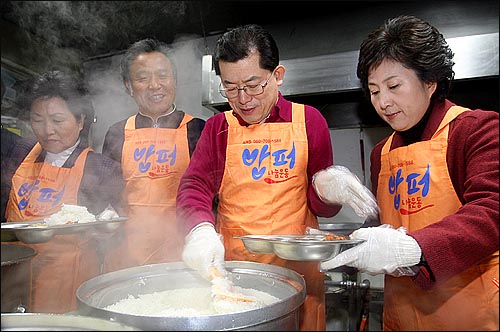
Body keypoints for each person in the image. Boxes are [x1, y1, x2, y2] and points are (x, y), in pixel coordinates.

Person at [177, 24, 377, 331]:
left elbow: (323, 210)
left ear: (278, 76)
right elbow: (195, 186)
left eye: (253, 84)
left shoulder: (310, 120)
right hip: (235, 272)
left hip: (298, 273)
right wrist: (200, 229)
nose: (243, 99)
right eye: (230, 88)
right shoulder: (218, 127)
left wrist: (326, 190)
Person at [321, 15, 499, 331]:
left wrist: (412, 249)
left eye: (394, 86)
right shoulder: (382, 152)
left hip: (467, 314)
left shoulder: (476, 131)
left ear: (430, 82)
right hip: (401, 316)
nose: (383, 102)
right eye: (374, 91)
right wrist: (336, 241)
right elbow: (386, 225)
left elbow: (491, 211)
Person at [3, 70, 125, 313]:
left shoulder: (101, 168)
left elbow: (115, 236)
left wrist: (109, 226)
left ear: (80, 121)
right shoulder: (19, 153)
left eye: (58, 120)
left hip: (67, 285)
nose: (47, 130)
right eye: (37, 120)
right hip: (14, 278)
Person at [101, 38, 206, 272]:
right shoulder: (117, 133)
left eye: (162, 75)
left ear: (175, 81)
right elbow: (106, 192)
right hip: (128, 256)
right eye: (142, 78)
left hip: (184, 256)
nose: (155, 85)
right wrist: (105, 212)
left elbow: (212, 196)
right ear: (128, 86)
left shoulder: (199, 129)